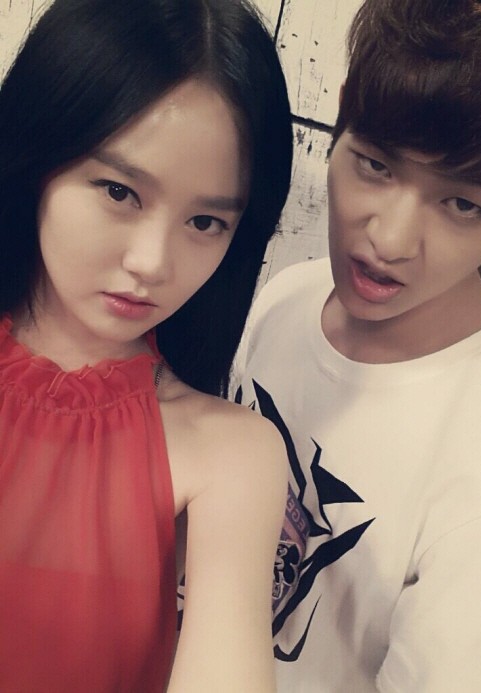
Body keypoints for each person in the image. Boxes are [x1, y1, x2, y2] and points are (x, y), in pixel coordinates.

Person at [0, 0, 293, 690]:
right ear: (37, 156)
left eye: (205, 222)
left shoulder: (231, 454)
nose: (152, 262)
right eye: (119, 191)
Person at [235, 0, 481, 690]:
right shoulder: (291, 295)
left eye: (462, 204)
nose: (389, 240)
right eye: (376, 165)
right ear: (340, 118)